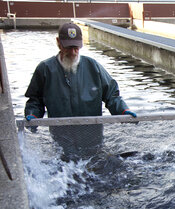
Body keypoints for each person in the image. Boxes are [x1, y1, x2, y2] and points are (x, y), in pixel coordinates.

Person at [24, 22, 137, 159]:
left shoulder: (93, 66)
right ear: (59, 43)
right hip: (61, 140)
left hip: (92, 139)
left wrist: (123, 110)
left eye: (76, 47)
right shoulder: (45, 69)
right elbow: (35, 100)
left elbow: (112, 95)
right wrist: (32, 115)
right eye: (68, 47)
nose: (72, 52)